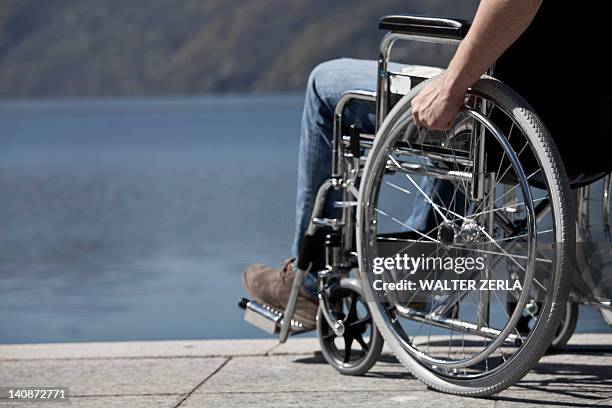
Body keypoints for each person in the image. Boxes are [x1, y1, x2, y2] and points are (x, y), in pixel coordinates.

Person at [243, 0, 610, 329]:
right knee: (465, 109)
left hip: (513, 123)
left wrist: (453, 83)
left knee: (325, 83)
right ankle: (417, 265)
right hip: (587, 141)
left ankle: (308, 283)